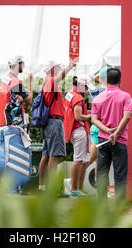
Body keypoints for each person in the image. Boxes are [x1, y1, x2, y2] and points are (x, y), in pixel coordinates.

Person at [91, 68, 132, 202]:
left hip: (103, 140)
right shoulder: (125, 96)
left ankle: (101, 206)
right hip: (120, 140)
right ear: (120, 80)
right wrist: (116, 133)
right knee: (120, 175)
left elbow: (94, 119)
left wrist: (108, 131)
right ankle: (120, 207)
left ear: (106, 80)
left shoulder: (98, 97)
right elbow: (126, 117)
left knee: (102, 174)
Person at [38, 59, 76, 192]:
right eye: (58, 67)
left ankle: (42, 187)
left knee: (46, 155)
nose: (60, 69)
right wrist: (70, 66)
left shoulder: (45, 82)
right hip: (54, 122)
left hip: (48, 122)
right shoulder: (50, 80)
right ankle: (51, 189)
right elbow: (60, 77)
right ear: (53, 69)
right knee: (54, 156)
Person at [64, 74, 93, 196]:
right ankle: (74, 190)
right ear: (81, 85)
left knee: (82, 160)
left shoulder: (70, 94)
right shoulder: (78, 98)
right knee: (78, 160)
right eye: (86, 87)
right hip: (79, 130)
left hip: (74, 131)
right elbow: (78, 116)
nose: (87, 90)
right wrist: (90, 116)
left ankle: (78, 189)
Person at [0, 56, 33, 126]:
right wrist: (30, 82)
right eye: (22, 64)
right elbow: (29, 100)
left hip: (5, 119)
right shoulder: (15, 82)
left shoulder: (6, 80)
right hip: (14, 121)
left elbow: (10, 98)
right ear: (18, 64)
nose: (23, 66)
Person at [87, 66, 108, 185]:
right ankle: (73, 184)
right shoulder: (105, 91)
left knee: (98, 160)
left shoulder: (95, 90)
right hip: (99, 129)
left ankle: (99, 186)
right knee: (90, 159)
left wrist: (95, 78)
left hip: (100, 128)